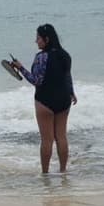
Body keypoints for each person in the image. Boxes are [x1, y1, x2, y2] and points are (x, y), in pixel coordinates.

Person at [12, 23, 77, 174]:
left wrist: (20, 68)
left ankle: (45, 174)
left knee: (47, 140)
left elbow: (36, 81)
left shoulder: (41, 57)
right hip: (63, 100)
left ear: (46, 39)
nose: (36, 41)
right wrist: (72, 92)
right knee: (61, 137)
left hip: (45, 101)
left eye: (38, 38)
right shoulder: (65, 55)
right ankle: (63, 171)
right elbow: (67, 76)